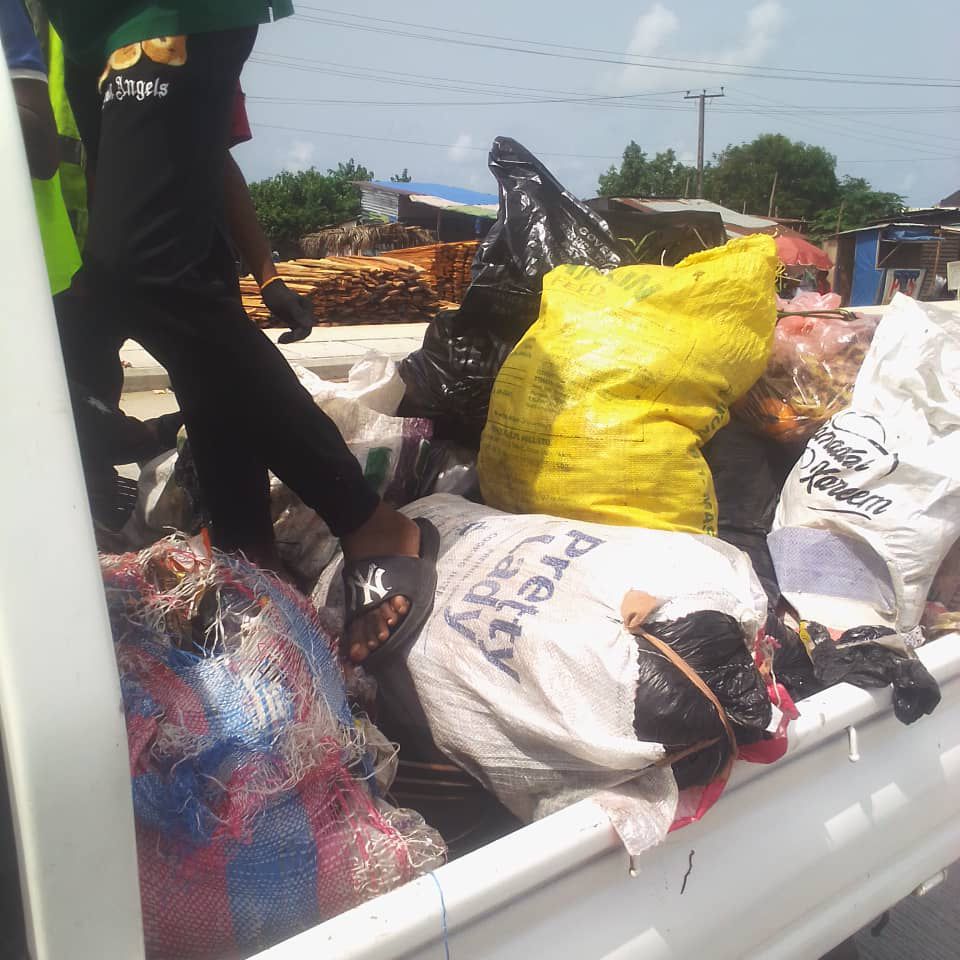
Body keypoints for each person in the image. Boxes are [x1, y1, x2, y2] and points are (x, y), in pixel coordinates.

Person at [39, 1, 438, 663]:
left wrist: (268, 272)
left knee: (141, 272)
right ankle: (250, 561)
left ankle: (372, 525)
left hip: (156, 13)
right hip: (88, 29)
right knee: (181, 278)